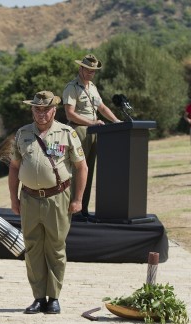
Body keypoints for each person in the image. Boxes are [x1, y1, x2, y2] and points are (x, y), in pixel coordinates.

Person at [8, 90, 87, 314]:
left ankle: (54, 297)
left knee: (55, 247)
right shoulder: (22, 134)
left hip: (57, 198)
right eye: (37, 109)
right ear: (32, 110)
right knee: (32, 248)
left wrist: (78, 199)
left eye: (46, 109)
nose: (41, 113)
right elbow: (14, 167)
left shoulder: (67, 133)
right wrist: (14, 198)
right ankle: (38, 297)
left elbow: (82, 167)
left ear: (54, 110)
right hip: (29, 198)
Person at [62, 54, 120, 218]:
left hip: (94, 131)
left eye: (93, 72)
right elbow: (70, 114)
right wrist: (92, 123)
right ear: (80, 68)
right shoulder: (71, 87)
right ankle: (72, 210)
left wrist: (116, 121)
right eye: (88, 70)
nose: (91, 74)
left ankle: (83, 209)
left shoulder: (92, 87)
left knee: (88, 171)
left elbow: (101, 107)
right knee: (77, 170)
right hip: (79, 131)